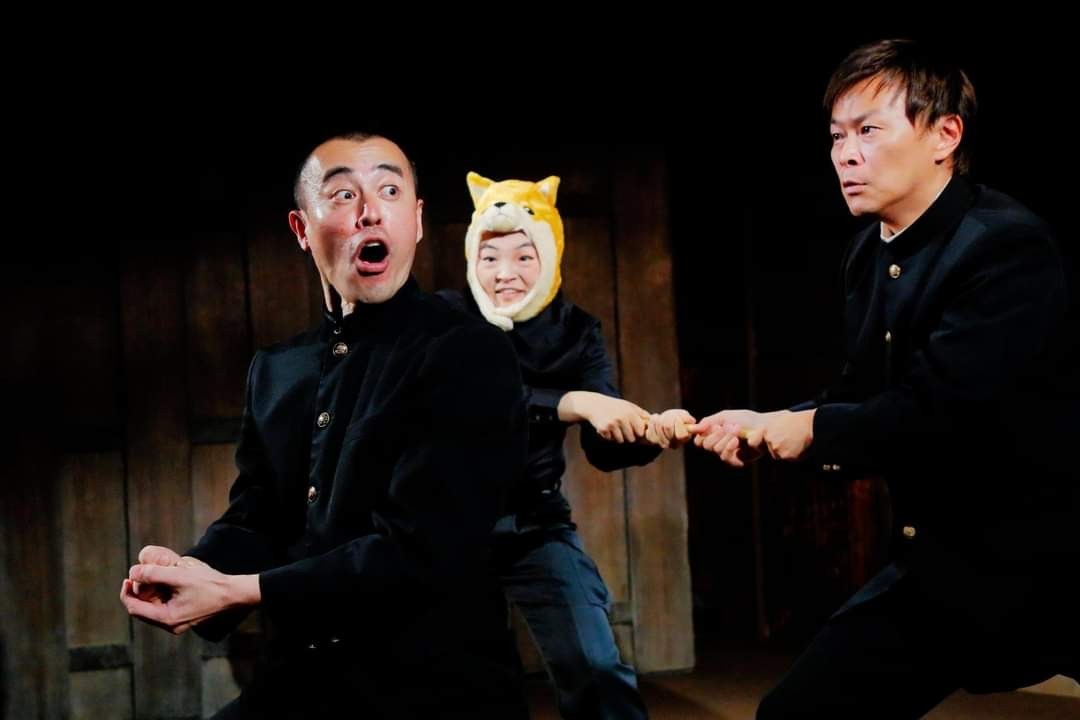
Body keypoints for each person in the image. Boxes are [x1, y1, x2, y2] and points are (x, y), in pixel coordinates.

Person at [690, 39, 1080, 718]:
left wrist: (811, 428)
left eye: (868, 130)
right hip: (947, 566)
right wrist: (769, 424)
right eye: (837, 136)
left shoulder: (1004, 245)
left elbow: (941, 410)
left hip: (1055, 561)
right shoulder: (867, 255)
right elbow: (864, 394)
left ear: (945, 135)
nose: (846, 154)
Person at [120, 133, 530, 719]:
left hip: (435, 689)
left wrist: (238, 591)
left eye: (390, 191)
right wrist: (192, 572)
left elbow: (423, 551)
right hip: (301, 679)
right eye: (342, 195)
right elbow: (258, 516)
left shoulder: (468, 352)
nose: (370, 211)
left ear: (416, 221)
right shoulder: (277, 368)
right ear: (301, 228)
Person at [438, 171, 694, 719]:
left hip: (534, 522)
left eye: (524, 256)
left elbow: (603, 445)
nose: (504, 273)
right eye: (489, 257)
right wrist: (573, 403)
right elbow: (475, 403)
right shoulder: (447, 319)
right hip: (444, 529)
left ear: (550, 257)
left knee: (596, 666)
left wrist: (649, 432)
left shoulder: (577, 330)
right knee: (472, 686)